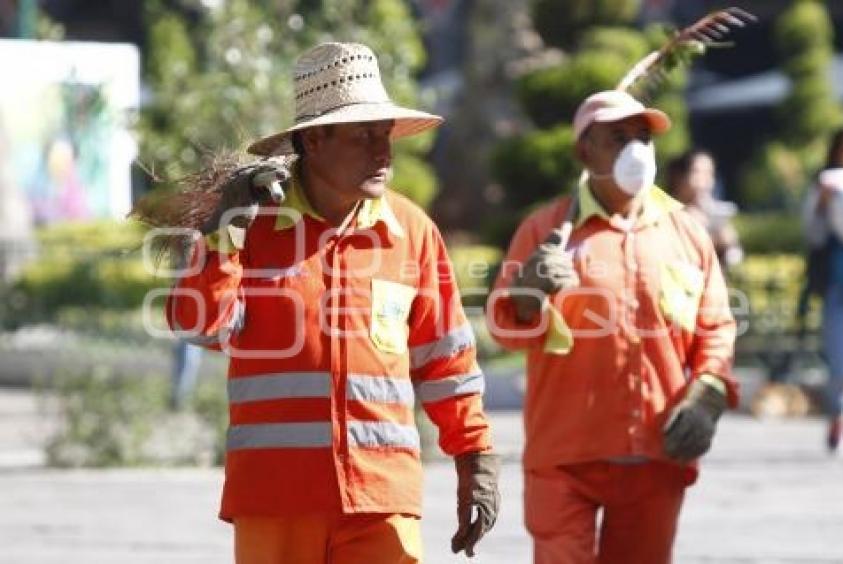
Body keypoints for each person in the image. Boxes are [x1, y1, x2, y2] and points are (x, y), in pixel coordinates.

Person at [165, 42, 499, 563]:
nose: (382, 151)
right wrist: (220, 237)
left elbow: (447, 360)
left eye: (384, 133)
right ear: (314, 140)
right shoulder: (248, 226)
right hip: (276, 499)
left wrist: (475, 458)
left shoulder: (411, 232)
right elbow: (200, 326)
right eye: (363, 135)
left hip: (382, 498)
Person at [488, 90, 738, 563]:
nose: (635, 149)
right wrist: (524, 298)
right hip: (564, 456)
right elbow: (504, 327)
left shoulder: (686, 234)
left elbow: (716, 327)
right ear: (584, 151)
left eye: (643, 137)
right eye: (618, 137)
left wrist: (709, 388)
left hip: (655, 454)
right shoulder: (545, 231)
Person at [801, 127, 843, 453]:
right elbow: (814, 236)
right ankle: (839, 419)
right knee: (840, 364)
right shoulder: (825, 185)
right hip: (839, 284)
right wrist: (821, 203)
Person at [666, 149, 743, 269]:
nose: (704, 181)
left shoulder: (712, 217)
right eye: (697, 172)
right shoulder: (663, 215)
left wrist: (727, 246)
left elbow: (733, 260)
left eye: (709, 174)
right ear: (678, 177)